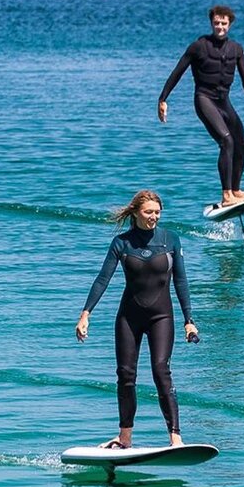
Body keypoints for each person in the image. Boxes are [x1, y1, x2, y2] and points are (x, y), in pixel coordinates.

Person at [75, 190, 199, 449]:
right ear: (135, 213)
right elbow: (102, 279)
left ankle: (175, 438)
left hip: (161, 316)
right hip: (128, 317)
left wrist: (189, 320)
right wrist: (86, 314)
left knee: (161, 371)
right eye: (148, 212)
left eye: (157, 212)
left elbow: (181, 281)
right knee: (126, 375)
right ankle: (125, 437)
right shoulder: (122, 243)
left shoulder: (171, 240)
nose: (154, 217)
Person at [158, 5, 244, 207]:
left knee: (242, 144)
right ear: (211, 23)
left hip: (224, 102)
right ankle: (226, 196)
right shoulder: (198, 47)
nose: (220, 27)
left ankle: (236, 190)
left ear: (230, 24)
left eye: (223, 23)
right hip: (204, 99)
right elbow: (177, 71)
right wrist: (163, 99)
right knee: (226, 141)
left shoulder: (236, 49)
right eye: (216, 23)